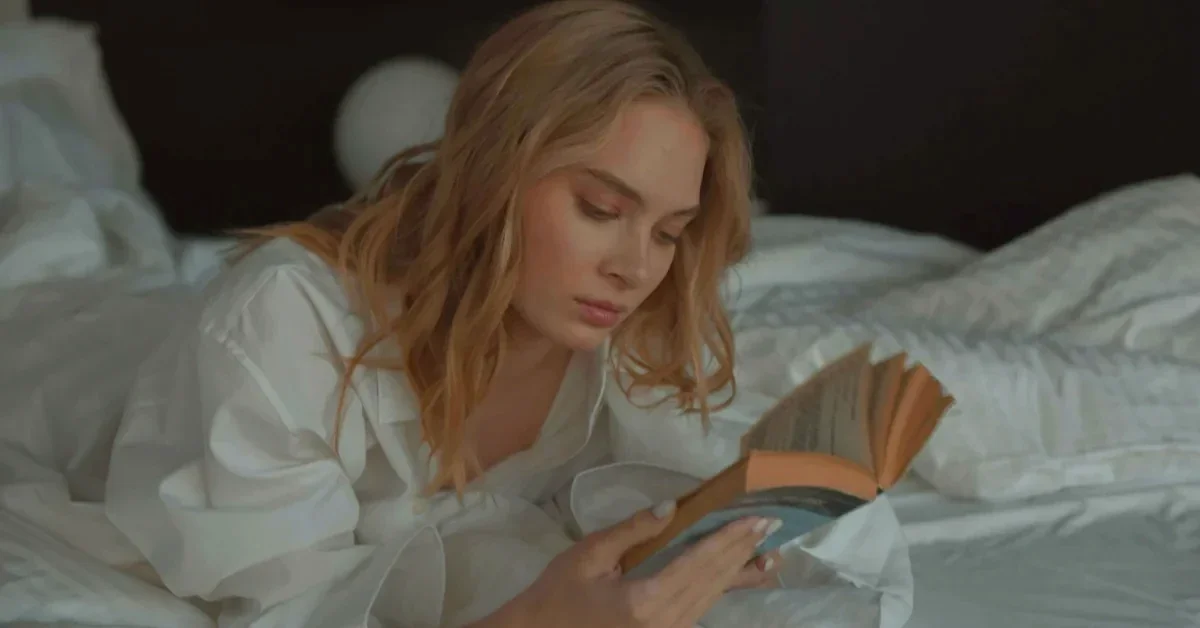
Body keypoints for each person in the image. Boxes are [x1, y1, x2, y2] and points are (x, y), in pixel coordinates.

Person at [105, 1, 773, 626]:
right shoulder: (281, 327)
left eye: (667, 232)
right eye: (600, 209)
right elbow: (285, 611)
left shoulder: (609, 334)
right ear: (495, 169)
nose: (634, 269)